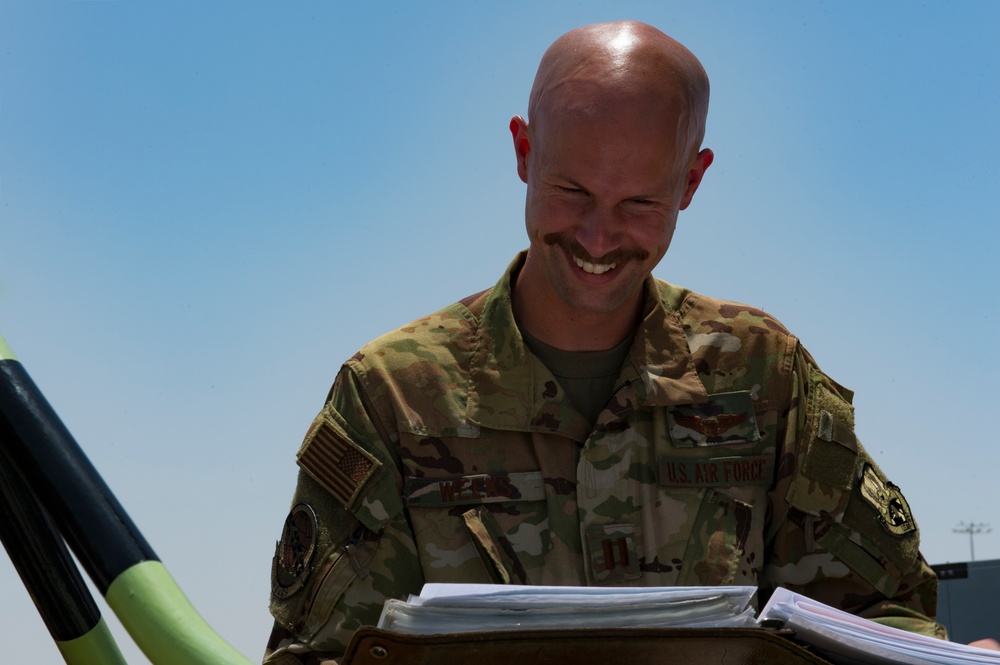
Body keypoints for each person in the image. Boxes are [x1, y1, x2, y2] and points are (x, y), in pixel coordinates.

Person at [261, 21, 953, 664]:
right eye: (572, 190)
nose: (597, 237)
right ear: (524, 153)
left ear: (691, 181)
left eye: (638, 205)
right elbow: (318, 650)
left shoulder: (766, 379)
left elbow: (875, 614)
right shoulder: (391, 398)